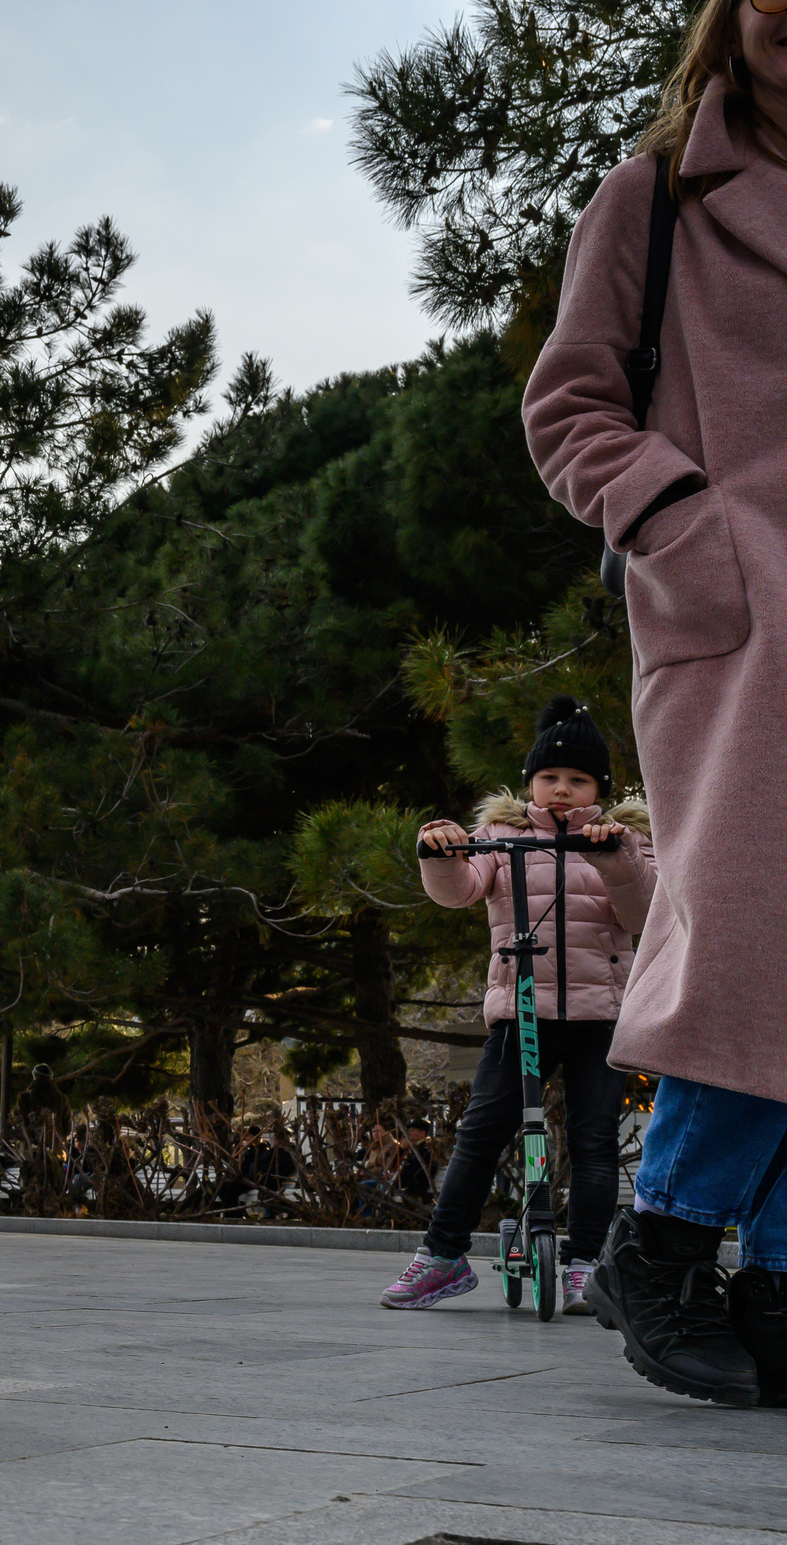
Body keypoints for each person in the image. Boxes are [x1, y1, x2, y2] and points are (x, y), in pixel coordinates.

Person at [524, 4, 787, 1404]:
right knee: (751, 929)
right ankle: (666, 1239)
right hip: (744, 616)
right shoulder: (660, 192)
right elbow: (567, 406)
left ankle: (784, 1272)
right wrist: (687, 522)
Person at [382, 702, 655, 1315]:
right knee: (480, 1135)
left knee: (592, 1143)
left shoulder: (627, 841)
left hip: (599, 1019)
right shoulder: (500, 840)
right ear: (530, 782)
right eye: (550, 777)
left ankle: (585, 1263)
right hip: (519, 1014)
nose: (562, 790)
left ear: (600, 790)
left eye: (579, 780)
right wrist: (440, 851)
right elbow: (460, 890)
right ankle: (443, 1256)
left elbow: (645, 916)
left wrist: (616, 859)